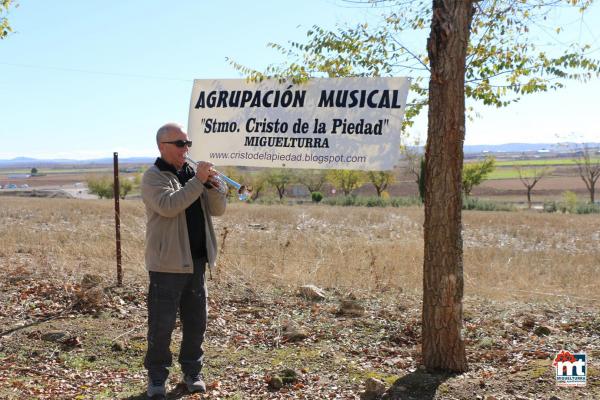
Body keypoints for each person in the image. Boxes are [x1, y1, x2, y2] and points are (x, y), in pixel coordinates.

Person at [141, 122, 226, 399]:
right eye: (179, 144)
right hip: (167, 264)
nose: (185, 149)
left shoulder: (192, 175)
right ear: (162, 146)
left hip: (196, 261)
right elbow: (169, 206)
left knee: (196, 322)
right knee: (161, 325)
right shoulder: (154, 177)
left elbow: (217, 210)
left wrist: (214, 188)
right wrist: (198, 182)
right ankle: (157, 377)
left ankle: (192, 371)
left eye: (187, 143)